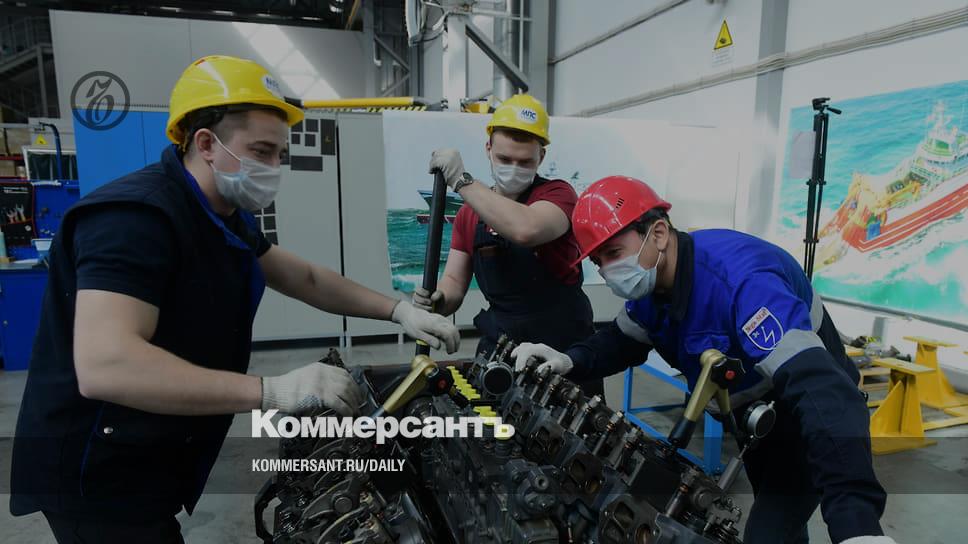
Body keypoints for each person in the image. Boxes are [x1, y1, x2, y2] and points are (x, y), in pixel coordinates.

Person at [9, 55, 459, 543]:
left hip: (146, 453)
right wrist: (270, 391)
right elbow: (108, 366)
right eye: (262, 151)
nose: (273, 168)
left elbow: (305, 278)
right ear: (206, 143)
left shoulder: (220, 212)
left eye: (279, 154)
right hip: (94, 470)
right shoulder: (134, 219)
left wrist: (398, 310)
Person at [511, 176, 896, 544]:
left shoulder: (742, 282)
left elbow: (823, 391)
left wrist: (857, 524)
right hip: (755, 423)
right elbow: (620, 342)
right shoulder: (652, 288)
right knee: (782, 521)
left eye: (613, 253)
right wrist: (569, 360)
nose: (608, 271)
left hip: (804, 417)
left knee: (768, 533)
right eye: (598, 261)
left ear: (658, 234)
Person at [416, 94, 602, 396]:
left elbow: (526, 229)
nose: (514, 168)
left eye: (525, 162)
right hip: (502, 347)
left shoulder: (559, 195)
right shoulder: (467, 215)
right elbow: (454, 282)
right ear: (488, 149)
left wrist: (461, 180)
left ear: (541, 157)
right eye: (504, 159)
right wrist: (438, 300)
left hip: (563, 349)